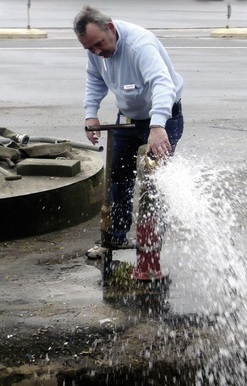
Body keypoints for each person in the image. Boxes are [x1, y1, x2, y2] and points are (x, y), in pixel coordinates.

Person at [73, 5, 184, 259]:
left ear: (110, 28)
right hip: (128, 119)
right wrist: (91, 113)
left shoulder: (140, 45)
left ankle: (151, 244)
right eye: (90, 48)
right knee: (119, 178)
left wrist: (157, 126)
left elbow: (162, 84)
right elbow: (94, 78)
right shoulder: (96, 49)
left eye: (98, 44)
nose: (96, 52)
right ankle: (115, 238)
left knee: (154, 182)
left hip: (163, 117)